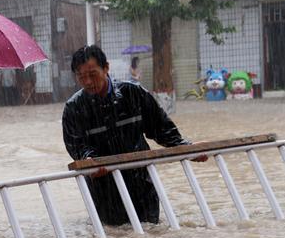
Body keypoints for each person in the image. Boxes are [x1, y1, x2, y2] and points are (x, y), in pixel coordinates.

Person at [61, 44, 202, 226]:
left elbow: (162, 130)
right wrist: (89, 160)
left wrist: (189, 149)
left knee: (150, 235)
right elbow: (77, 146)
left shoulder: (133, 94)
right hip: (105, 190)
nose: (88, 82)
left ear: (106, 68)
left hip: (141, 184)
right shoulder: (74, 108)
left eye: (92, 74)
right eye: (81, 77)